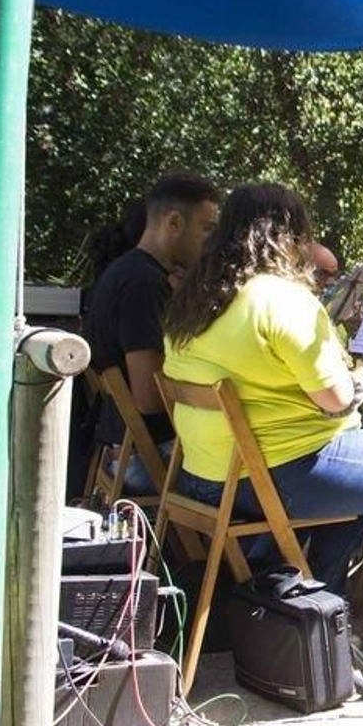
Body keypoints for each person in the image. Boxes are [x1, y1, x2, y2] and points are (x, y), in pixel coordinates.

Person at [163, 184, 363, 633]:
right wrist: (358, 382)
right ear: (287, 237)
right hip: (280, 473)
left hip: (207, 478)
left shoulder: (193, 301)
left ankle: (321, 602)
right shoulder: (280, 298)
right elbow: (336, 399)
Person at [82, 173, 221, 495]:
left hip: (121, 449)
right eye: (207, 229)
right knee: (271, 479)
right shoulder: (143, 285)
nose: (210, 242)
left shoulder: (130, 272)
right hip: (145, 459)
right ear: (173, 222)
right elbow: (148, 398)